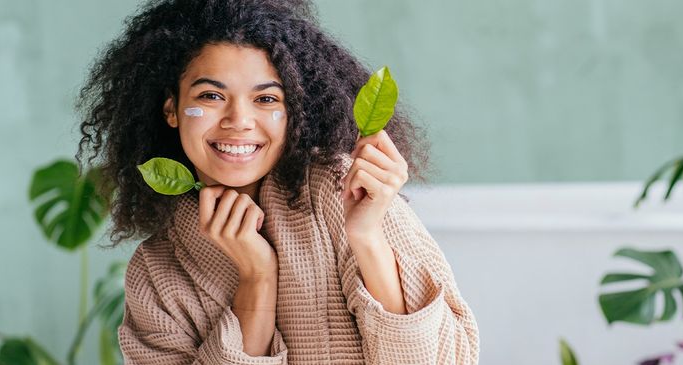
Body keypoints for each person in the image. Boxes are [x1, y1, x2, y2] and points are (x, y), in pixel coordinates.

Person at [75, 0, 479, 363]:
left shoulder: (345, 191)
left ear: (294, 113)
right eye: (211, 96)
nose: (239, 120)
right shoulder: (157, 273)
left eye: (267, 99)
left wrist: (368, 237)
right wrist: (257, 278)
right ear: (172, 109)